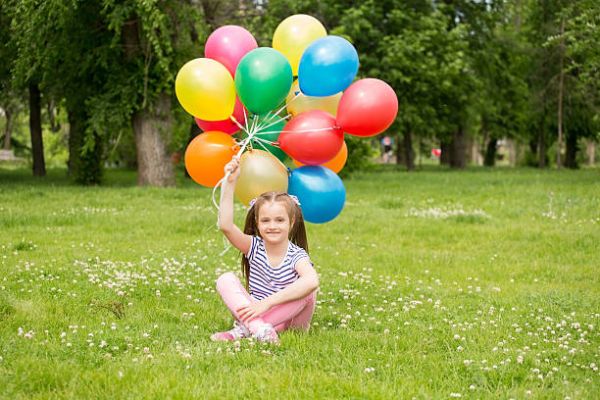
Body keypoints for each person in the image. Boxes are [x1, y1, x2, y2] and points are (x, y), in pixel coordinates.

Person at [211, 156, 319, 344]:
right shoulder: (254, 247)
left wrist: (267, 303)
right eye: (265, 220)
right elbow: (226, 226)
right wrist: (230, 182)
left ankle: (245, 330)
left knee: (308, 290)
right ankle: (259, 329)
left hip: (290, 321)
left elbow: (312, 281)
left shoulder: (296, 255)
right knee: (224, 279)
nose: (272, 226)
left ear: (291, 222)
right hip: (258, 315)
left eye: (279, 220)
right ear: (257, 224)